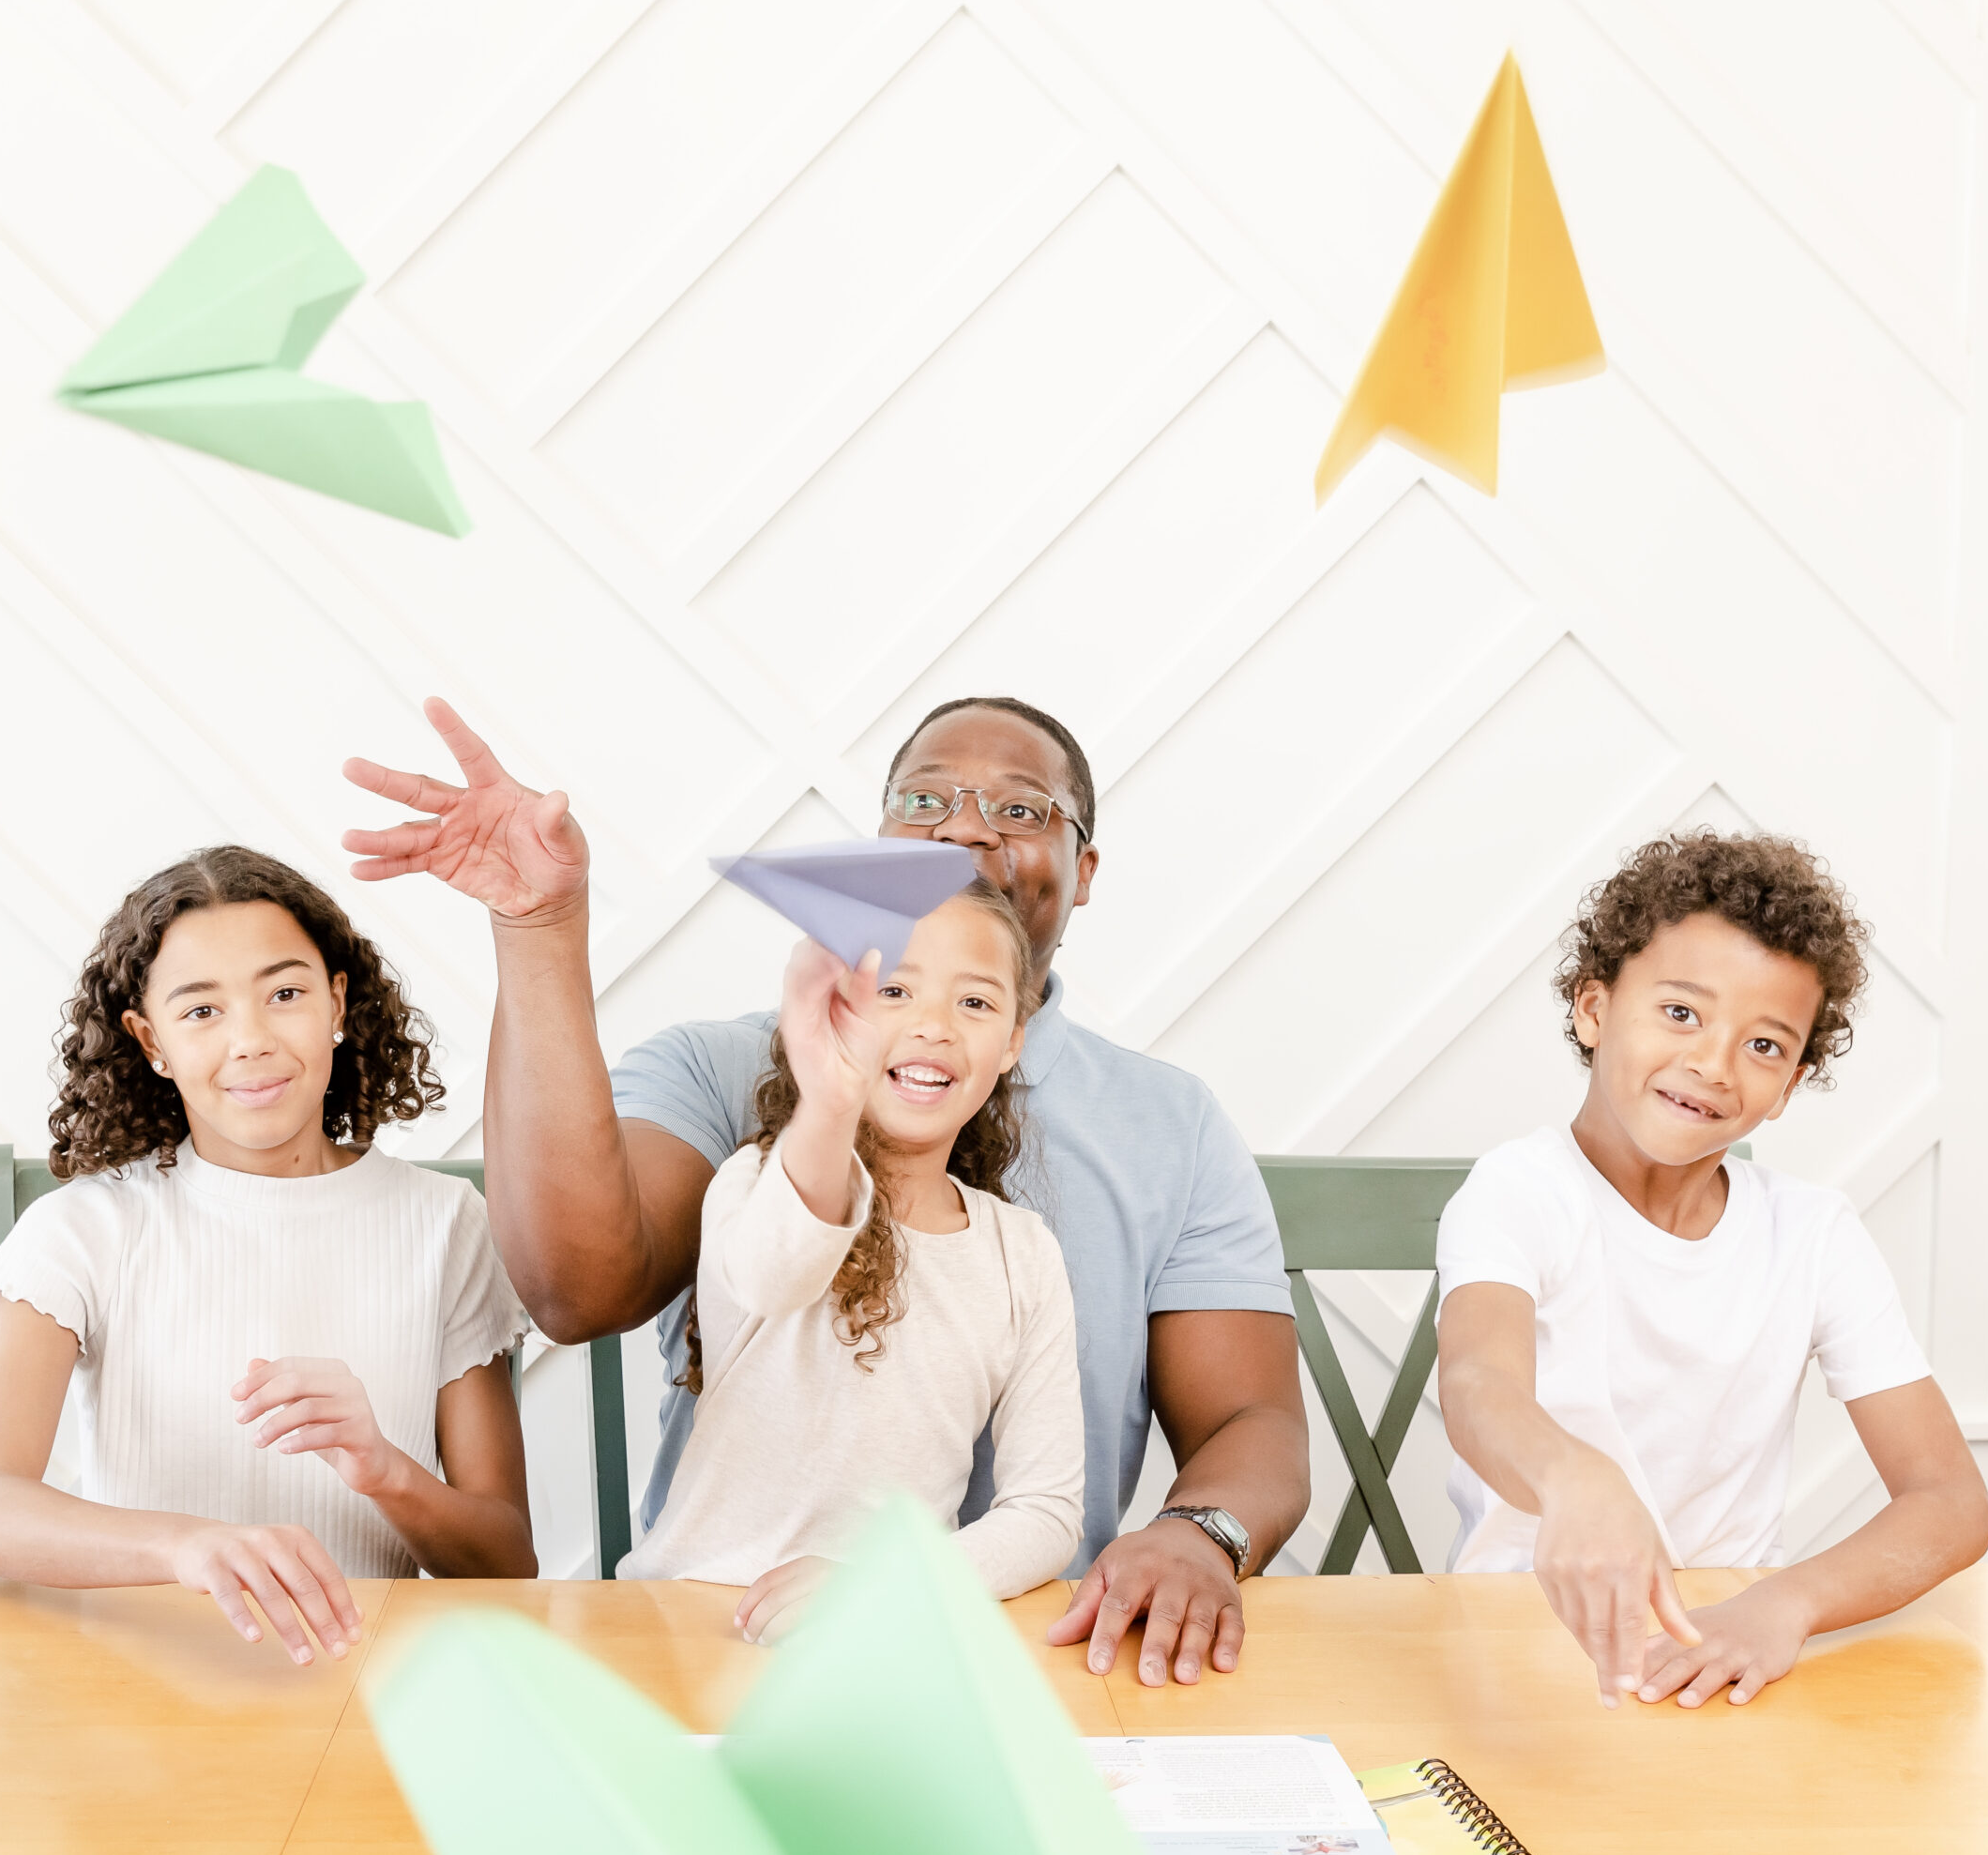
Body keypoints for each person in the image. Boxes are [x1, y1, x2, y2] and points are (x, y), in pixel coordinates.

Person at [341, 694, 1308, 1684]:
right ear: (879, 844)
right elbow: (577, 1289)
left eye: (1021, 809)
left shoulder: (1147, 1144)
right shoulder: (726, 1090)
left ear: (1084, 869)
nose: (966, 825)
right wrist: (542, 925)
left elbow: (1237, 1428)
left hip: (1018, 1651)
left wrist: (1199, 1534)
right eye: (926, 798)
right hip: (719, 1631)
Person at [1434, 831, 1988, 1709]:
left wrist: (1786, 1603)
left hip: (1725, 1657)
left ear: (1792, 1082)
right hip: (1518, 1645)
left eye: (1764, 1046)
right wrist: (1570, 1475)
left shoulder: (1812, 1235)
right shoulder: (1520, 1191)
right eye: (1682, 1013)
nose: (1713, 1064)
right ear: (1593, 1009)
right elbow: (1475, 1384)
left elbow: (1950, 1503)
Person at [0, 846, 536, 1664]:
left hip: (366, 1685)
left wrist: (382, 1468)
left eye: (285, 994)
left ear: (336, 1002)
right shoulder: (83, 1230)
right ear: (150, 1041)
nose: (251, 1040)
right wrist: (185, 1547)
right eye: (201, 1012)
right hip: (143, 1691)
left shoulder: (442, 1222)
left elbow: (507, 1562)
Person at [622, 882, 1084, 1640]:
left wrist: (884, 1585)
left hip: (881, 1631)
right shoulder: (755, 1184)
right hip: (697, 1620)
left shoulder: (1023, 1253)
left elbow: (1044, 1513)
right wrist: (831, 1100)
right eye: (895, 990)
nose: (934, 1026)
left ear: (1012, 1041)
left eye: (975, 1003)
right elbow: (778, 1272)